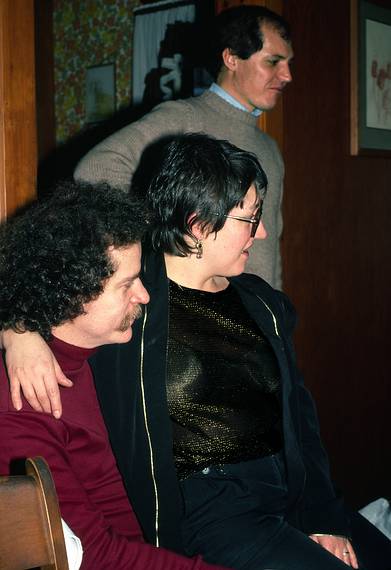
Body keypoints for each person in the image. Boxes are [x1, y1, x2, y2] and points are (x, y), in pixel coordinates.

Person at [3, 135, 391, 569]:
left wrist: (325, 516)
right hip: (215, 513)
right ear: (198, 222)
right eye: (249, 218)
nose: (261, 232)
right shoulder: (127, 317)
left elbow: (301, 423)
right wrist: (17, 328)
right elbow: (55, 283)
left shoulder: (262, 303)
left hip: (289, 492)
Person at [0, 181, 231, 570]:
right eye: (126, 285)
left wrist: (14, 327)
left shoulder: (107, 348)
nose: (143, 295)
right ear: (72, 294)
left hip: (185, 534)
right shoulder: (24, 405)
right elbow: (96, 555)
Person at [74, 5, 293, 289]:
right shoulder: (185, 118)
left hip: (256, 316)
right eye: (273, 62)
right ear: (231, 58)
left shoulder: (269, 147)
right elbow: (95, 169)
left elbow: (270, 245)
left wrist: (275, 312)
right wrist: (165, 234)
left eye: (288, 63)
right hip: (200, 318)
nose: (287, 75)